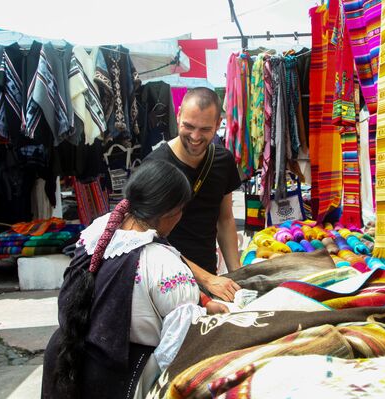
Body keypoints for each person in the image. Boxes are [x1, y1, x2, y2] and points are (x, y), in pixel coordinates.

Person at [41, 160, 227, 399]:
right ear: (169, 212)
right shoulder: (164, 264)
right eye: (181, 209)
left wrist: (201, 300)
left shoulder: (98, 231)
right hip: (117, 380)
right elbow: (176, 350)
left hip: (63, 360)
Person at [146, 87, 242, 301]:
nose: (195, 137)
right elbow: (148, 239)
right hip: (164, 283)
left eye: (205, 129)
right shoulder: (155, 166)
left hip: (210, 281)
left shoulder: (223, 161)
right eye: (188, 126)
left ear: (218, 124)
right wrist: (207, 279)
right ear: (178, 115)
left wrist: (237, 273)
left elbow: (225, 220)